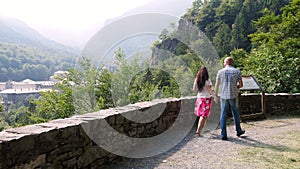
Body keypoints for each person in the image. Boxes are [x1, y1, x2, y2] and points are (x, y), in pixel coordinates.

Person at [214, 57, 245, 140]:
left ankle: (223, 134)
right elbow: (241, 85)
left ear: (225, 63)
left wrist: (215, 95)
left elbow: (217, 85)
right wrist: (236, 86)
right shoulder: (237, 71)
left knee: (223, 114)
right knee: (235, 113)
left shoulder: (220, 72)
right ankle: (238, 131)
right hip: (233, 95)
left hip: (223, 95)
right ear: (231, 63)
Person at [193, 66, 214, 137]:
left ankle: (205, 128)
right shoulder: (207, 80)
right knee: (204, 115)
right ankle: (198, 131)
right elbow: (209, 89)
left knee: (202, 114)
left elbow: (194, 90)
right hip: (206, 99)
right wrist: (214, 95)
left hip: (199, 98)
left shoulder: (197, 79)